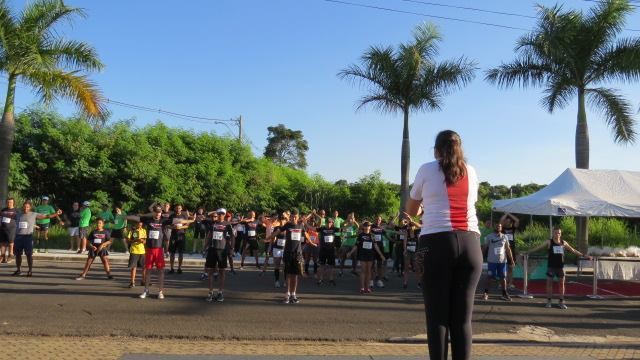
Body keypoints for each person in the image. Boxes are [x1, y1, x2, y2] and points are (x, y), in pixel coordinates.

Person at [405, 130, 482, 360]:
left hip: (436, 244)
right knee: (462, 320)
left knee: (437, 317)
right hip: (470, 244)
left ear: (436, 150)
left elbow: (411, 210)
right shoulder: (472, 171)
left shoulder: (426, 169)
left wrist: (421, 209)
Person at [523, 227, 591, 309]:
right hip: (551, 267)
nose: (557, 234)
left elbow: (573, 250)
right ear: (553, 233)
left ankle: (561, 302)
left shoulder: (564, 243)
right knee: (549, 285)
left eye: (559, 233)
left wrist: (584, 255)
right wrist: (526, 252)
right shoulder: (549, 242)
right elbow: (538, 248)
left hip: (560, 267)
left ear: (561, 234)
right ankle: (548, 301)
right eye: (555, 233)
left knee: (562, 285)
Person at [128, 206, 173, 300]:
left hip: (159, 249)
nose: (158, 213)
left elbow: (177, 221)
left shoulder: (164, 221)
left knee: (160, 271)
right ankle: (146, 290)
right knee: (148, 271)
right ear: (153, 212)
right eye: (156, 212)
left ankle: (160, 292)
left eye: (159, 212)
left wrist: (190, 220)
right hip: (149, 249)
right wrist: (124, 216)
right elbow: (136, 218)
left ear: (161, 212)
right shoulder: (147, 220)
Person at [269, 209, 312, 304]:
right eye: (292, 216)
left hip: (298, 254)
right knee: (288, 274)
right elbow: (278, 231)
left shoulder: (301, 225)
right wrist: (269, 237)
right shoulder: (287, 225)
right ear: (291, 216)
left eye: (295, 216)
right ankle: (287, 294)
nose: (293, 218)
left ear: (298, 216)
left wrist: (312, 242)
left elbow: (306, 234)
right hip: (288, 253)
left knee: (295, 275)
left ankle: (293, 294)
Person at [13, 201, 63, 276]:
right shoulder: (18, 214)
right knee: (18, 255)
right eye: (24, 206)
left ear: (30, 208)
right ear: (22, 207)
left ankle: (30, 270)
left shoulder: (34, 214)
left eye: (27, 207)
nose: (25, 208)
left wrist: (56, 214)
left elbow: (46, 216)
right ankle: (18, 270)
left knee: (29, 255)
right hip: (18, 237)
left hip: (27, 237)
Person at [204, 208, 235, 303]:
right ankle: (210, 292)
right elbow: (209, 236)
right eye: (219, 214)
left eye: (222, 214)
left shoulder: (227, 224)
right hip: (212, 249)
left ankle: (220, 292)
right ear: (217, 214)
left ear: (225, 215)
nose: (221, 215)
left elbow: (233, 236)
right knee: (210, 271)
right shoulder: (213, 224)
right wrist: (205, 247)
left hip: (222, 250)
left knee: (222, 272)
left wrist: (232, 248)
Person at [347, 221, 385, 294]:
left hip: (370, 255)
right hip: (362, 254)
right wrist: (350, 252)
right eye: (366, 226)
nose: (368, 227)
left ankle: (367, 287)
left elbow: (376, 246)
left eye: (369, 226)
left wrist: (381, 255)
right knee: (363, 271)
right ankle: (362, 287)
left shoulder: (372, 236)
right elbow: (356, 245)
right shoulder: (360, 235)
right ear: (364, 227)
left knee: (369, 271)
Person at [482, 223, 513, 301]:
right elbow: (484, 248)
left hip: (502, 261)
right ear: (494, 227)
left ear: (501, 227)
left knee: (503, 278)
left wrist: (511, 260)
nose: (498, 227)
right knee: (489, 277)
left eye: (500, 226)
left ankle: (504, 293)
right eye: (497, 226)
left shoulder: (505, 237)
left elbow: (508, 249)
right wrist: (480, 257)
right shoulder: (489, 237)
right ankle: (485, 293)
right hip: (492, 261)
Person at [168, 205, 195, 274]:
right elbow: (168, 225)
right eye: (177, 208)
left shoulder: (184, 216)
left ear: (181, 209)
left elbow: (187, 225)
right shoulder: (171, 216)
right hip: (173, 236)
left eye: (179, 208)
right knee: (172, 253)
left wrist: (181, 227)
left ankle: (179, 268)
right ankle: (171, 268)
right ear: (174, 208)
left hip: (181, 236)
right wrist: (173, 227)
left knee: (181, 253)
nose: (178, 209)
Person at [315, 218, 338, 286]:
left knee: (331, 265)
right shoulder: (322, 228)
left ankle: (331, 279)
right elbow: (313, 228)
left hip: (331, 250)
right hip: (323, 249)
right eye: (328, 222)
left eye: (330, 222)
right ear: (326, 223)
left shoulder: (334, 229)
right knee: (321, 265)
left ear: (332, 223)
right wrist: (305, 223)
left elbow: (344, 229)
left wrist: (351, 222)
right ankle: (320, 280)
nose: (329, 223)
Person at [402, 214, 423, 289]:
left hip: (416, 251)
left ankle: (419, 282)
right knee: (406, 267)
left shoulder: (417, 231)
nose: (411, 227)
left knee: (417, 267)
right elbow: (404, 241)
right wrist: (404, 250)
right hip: (408, 251)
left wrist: (412, 220)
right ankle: (405, 282)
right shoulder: (406, 232)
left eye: (412, 226)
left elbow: (420, 226)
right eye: (410, 226)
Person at [500, 212, 519, 289]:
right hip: (503, 251)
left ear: (511, 222)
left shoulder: (512, 229)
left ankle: (510, 283)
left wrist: (509, 214)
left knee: (511, 268)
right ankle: (502, 283)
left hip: (512, 250)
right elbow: (501, 221)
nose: (507, 223)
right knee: (502, 268)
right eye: (506, 221)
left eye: (509, 221)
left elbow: (517, 220)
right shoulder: (502, 229)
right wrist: (506, 215)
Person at [126, 220, 147, 288]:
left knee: (144, 267)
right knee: (133, 267)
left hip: (142, 251)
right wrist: (136, 240)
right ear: (136, 224)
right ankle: (132, 282)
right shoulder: (131, 231)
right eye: (138, 225)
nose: (140, 226)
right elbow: (128, 241)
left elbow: (145, 240)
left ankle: (143, 281)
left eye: (141, 225)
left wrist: (143, 241)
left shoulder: (143, 230)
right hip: (134, 251)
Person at [371, 215, 389, 288]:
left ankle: (379, 280)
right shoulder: (371, 226)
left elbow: (386, 235)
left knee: (380, 264)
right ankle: (371, 281)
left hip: (380, 247)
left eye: (379, 220)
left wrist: (393, 241)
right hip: (372, 247)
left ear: (381, 221)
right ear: (375, 220)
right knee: (372, 264)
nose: (378, 221)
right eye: (377, 219)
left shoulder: (382, 228)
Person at [0, 198, 17, 263]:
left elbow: (19, 219)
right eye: (8, 202)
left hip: (12, 229)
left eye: (10, 202)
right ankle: (2, 256)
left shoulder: (16, 210)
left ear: (13, 203)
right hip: (3, 228)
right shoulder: (3, 210)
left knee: (11, 243)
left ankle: (10, 256)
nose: (9, 203)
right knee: (2, 243)